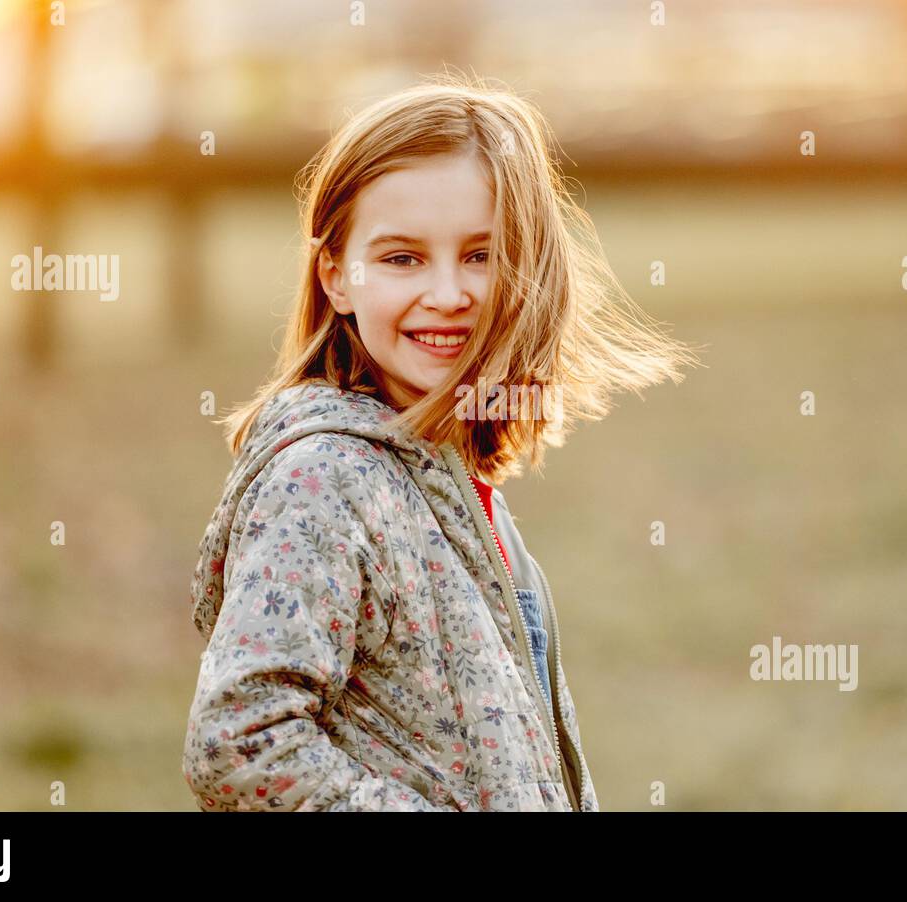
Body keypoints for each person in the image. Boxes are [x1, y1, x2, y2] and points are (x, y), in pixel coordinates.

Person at [181, 72, 697, 811]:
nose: (449, 294)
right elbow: (239, 742)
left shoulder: (445, 473)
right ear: (336, 277)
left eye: (482, 255)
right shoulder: (326, 478)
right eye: (402, 258)